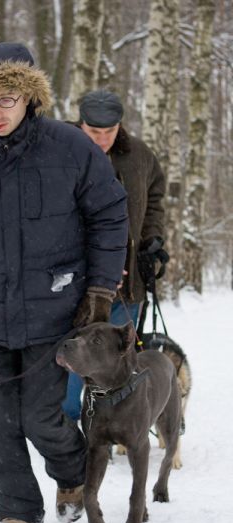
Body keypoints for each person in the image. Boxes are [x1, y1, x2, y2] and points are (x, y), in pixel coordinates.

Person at [0, 44, 128, 523]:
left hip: (56, 308)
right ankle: (17, 511)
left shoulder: (71, 148)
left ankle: (73, 475)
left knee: (41, 416)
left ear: (29, 98)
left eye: (7, 99)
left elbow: (108, 216)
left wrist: (100, 289)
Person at [62, 89, 167, 421]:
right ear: (81, 124)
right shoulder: (60, 152)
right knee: (73, 357)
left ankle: (115, 425)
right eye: (95, 132)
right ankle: (68, 426)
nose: (103, 139)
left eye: (110, 131)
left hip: (128, 284)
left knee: (118, 358)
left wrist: (152, 240)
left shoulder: (139, 155)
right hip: (74, 284)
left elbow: (155, 198)